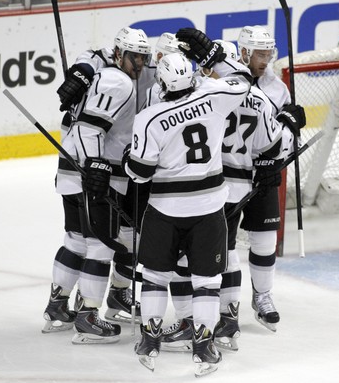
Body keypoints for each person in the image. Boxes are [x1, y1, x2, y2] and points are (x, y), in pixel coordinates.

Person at [159, 39, 304, 352]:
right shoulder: (259, 99)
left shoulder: (204, 96)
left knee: (194, 255)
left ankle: (196, 322)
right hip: (241, 184)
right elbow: (275, 145)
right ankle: (228, 320)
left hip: (208, 185)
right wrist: (289, 128)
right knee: (226, 252)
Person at [126, 29, 252, 377]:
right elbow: (243, 78)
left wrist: (127, 159)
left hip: (165, 211)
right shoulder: (212, 95)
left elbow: (138, 173)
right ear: (192, 77)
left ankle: (149, 341)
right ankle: (203, 347)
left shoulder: (149, 117)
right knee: (207, 281)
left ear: (162, 83)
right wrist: (213, 55)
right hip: (209, 209)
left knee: (154, 277)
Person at [42, 27, 152, 343]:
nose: (139, 65)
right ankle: (89, 316)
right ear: (120, 53)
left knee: (76, 239)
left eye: (142, 58)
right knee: (101, 244)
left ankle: (58, 305)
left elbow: (91, 55)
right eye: (135, 57)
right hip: (96, 174)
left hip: (71, 169)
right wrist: (96, 166)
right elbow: (92, 128)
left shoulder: (102, 70)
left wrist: (82, 69)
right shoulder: (118, 82)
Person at [235, 25, 304, 331]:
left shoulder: (278, 88)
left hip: (264, 176)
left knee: (265, 242)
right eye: (259, 54)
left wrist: (291, 127)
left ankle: (262, 297)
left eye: (268, 54)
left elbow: (282, 137)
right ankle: (226, 304)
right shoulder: (226, 83)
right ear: (244, 53)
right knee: (221, 247)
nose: (265, 60)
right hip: (229, 175)